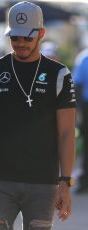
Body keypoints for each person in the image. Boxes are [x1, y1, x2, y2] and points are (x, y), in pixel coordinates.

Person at [0, 1, 76, 229]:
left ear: (41, 34)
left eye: (27, 37)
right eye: (14, 37)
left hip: (43, 183)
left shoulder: (59, 75)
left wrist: (65, 182)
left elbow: (67, 132)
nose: (20, 43)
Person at [73, 48, 88, 193]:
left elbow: (77, 85)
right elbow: (77, 86)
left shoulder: (83, 57)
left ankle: (84, 181)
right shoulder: (84, 58)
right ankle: (84, 181)